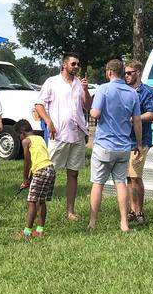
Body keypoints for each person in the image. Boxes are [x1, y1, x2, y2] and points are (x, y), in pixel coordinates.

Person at [88, 59, 143, 233]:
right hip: (124, 147)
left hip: (104, 145)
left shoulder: (103, 89)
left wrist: (90, 108)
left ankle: (92, 222)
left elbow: (95, 113)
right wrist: (139, 143)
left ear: (109, 72)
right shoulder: (133, 93)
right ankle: (124, 223)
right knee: (121, 184)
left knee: (98, 184)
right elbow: (137, 121)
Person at [34, 53, 90, 221]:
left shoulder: (79, 84)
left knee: (73, 174)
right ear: (64, 65)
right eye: (73, 64)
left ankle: (70, 211)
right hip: (58, 135)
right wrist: (48, 122)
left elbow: (88, 106)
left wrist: (86, 90)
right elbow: (39, 104)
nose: (76, 66)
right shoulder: (52, 82)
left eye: (78, 64)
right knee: (47, 173)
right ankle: (37, 209)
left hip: (77, 134)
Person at [124, 60, 153, 224]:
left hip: (140, 140)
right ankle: (131, 210)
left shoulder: (147, 92)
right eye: (125, 73)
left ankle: (139, 211)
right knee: (128, 178)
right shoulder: (124, 90)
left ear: (138, 73)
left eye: (129, 73)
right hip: (124, 140)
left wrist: (134, 118)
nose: (126, 76)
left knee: (135, 177)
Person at [16, 119, 55, 239]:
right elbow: (39, 160)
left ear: (22, 133)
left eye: (19, 136)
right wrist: (30, 178)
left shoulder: (26, 141)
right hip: (50, 169)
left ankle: (27, 233)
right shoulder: (40, 138)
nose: (20, 138)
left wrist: (25, 179)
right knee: (41, 201)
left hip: (41, 171)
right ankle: (40, 231)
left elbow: (27, 161)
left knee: (32, 202)